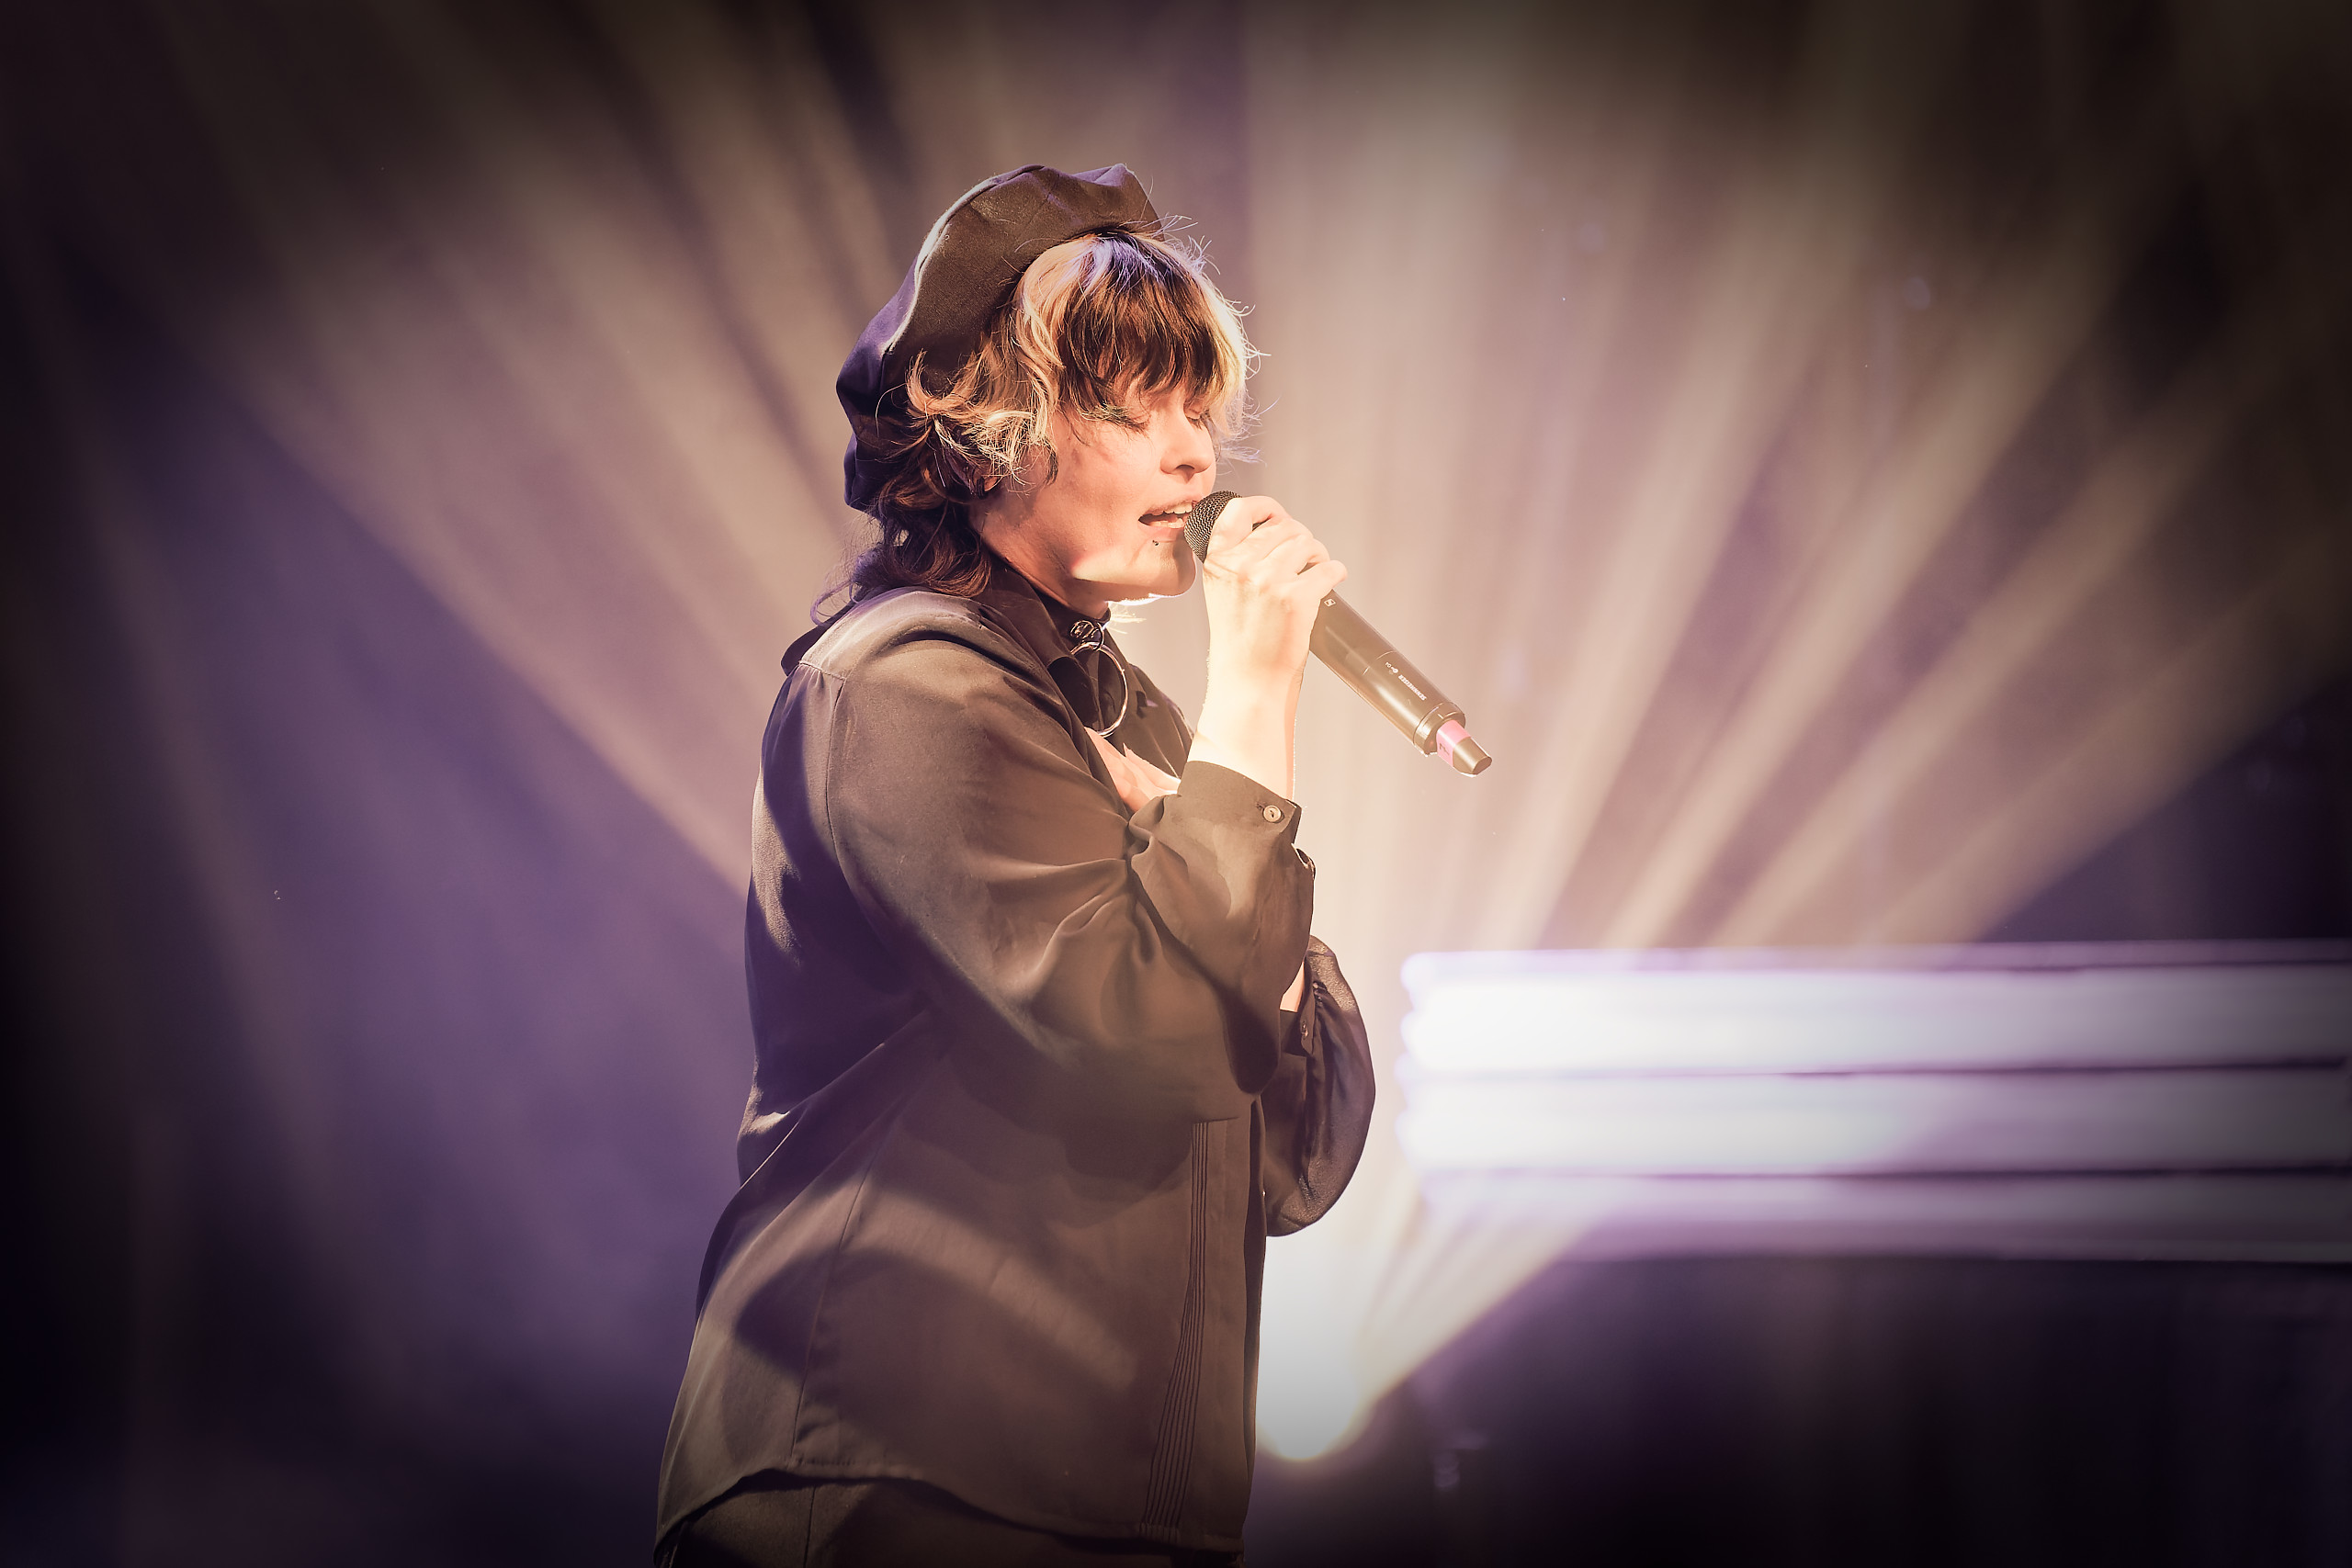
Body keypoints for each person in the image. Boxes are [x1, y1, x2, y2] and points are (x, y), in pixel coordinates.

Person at [654, 164, 1375, 1568]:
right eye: (1133, 410)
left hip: (1120, 1494)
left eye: (1199, 413)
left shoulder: (1131, 722)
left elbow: (1291, 1154)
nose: (1193, 461)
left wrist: (1220, 818)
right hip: (897, 1475)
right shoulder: (904, 683)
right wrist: (1253, 699)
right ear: (991, 432)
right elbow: (1149, 1034)